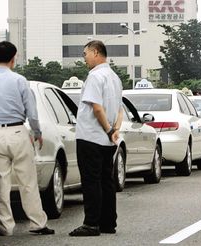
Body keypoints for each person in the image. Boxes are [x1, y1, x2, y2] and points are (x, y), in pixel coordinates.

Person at [0, 41, 54, 236]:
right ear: (14, 58)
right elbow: (32, 112)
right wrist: (37, 132)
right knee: (28, 180)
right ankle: (37, 223)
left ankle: (6, 226)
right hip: (17, 132)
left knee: (1, 181)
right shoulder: (19, 80)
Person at [69, 40, 123, 237]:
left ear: (96, 52)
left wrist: (109, 130)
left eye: (85, 54)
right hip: (107, 140)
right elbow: (119, 109)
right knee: (106, 181)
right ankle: (108, 223)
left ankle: (91, 224)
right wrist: (114, 130)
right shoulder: (114, 77)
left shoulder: (95, 76)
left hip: (91, 136)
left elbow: (96, 107)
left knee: (91, 181)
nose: (84, 58)